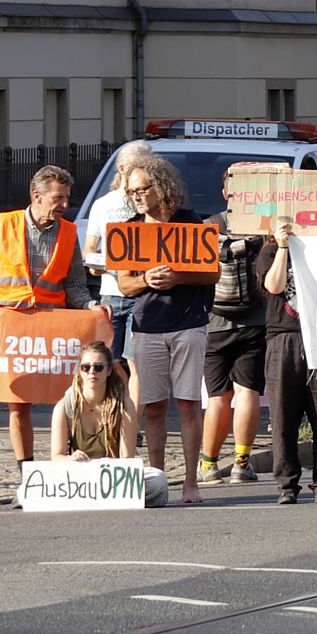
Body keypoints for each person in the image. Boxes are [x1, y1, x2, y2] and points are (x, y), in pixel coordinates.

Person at [0, 165, 98, 472]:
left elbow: (75, 285)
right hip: (12, 327)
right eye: (58, 198)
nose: (65, 205)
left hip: (53, 327)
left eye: (67, 198)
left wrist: (88, 306)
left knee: (68, 399)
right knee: (18, 402)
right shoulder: (5, 225)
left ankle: (73, 464)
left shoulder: (69, 232)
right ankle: (26, 472)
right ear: (37, 196)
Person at [111, 154, 217, 505]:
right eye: (132, 192)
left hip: (188, 323)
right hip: (147, 326)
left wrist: (178, 276)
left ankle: (191, 481)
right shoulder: (129, 229)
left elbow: (211, 273)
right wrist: (145, 279)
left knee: (188, 404)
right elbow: (124, 285)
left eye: (143, 189)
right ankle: (157, 483)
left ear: (161, 186)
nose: (138, 196)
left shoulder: (189, 222)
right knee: (153, 407)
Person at [259, 219, 317, 503]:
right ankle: (287, 485)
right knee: (283, 417)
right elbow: (274, 285)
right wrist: (282, 247)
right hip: (284, 339)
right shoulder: (269, 252)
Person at [198, 169, 270, 486]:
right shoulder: (263, 227)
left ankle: (208, 466)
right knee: (247, 392)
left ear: (225, 194)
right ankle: (242, 462)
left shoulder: (207, 227)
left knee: (218, 397)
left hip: (215, 323)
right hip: (254, 320)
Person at [50, 341, 167, 507]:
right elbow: (56, 456)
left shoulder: (123, 405)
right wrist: (70, 459)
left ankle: (97, 497)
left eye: (98, 367)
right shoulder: (65, 406)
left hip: (111, 476)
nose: (92, 372)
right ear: (80, 371)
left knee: (157, 480)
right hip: (77, 474)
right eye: (86, 367)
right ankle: (96, 497)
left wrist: (106, 465)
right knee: (26, 489)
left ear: (109, 371)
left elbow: (127, 459)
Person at [82, 140, 150, 396]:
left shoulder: (147, 205)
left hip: (139, 294)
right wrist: (93, 263)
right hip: (110, 293)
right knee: (108, 360)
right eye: (136, 169)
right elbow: (89, 248)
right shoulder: (103, 205)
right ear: (122, 169)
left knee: (136, 363)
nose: (140, 177)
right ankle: (114, 411)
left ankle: (132, 424)